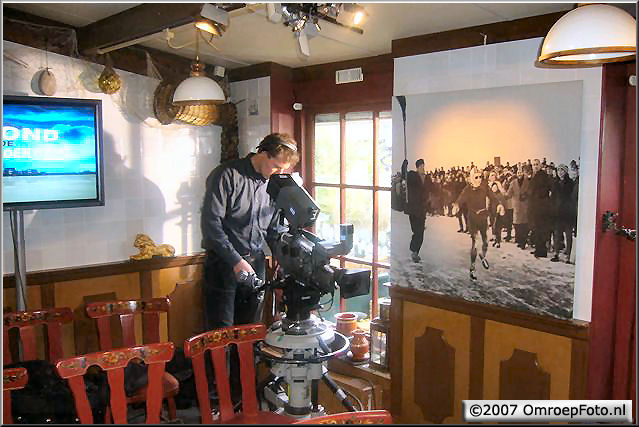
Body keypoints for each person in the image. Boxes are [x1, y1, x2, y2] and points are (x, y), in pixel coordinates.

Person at [200, 133, 299, 404]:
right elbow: (211, 225)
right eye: (276, 166)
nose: (277, 173)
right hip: (223, 263)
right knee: (221, 335)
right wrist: (235, 261)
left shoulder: (272, 185)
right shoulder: (226, 175)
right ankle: (218, 403)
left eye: (282, 170)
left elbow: (273, 229)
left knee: (250, 334)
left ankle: (243, 399)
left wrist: (285, 258)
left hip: (255, 262)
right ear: (263, 154)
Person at [452, 167, 502, 281]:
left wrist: (499, 204)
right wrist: (456, 206)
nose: (479, 179)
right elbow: (461, 199)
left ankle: (482, 256)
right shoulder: (468, 189)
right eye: (476, 177)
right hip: (473, 218)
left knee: (485, 242)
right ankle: (472, 267)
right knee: (475, 242)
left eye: (480, 177)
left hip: (483, 217)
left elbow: (493, 197)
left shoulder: (484, 186)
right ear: (471, 178)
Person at [406, 158, 430, 262]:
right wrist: (404, 166)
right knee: (416, 231)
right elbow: (404, 175)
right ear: (417, 167)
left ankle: (415, 252)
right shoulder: (412, 175)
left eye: (423, 166)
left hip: (422, 210)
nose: (422, 168)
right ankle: (413, 250)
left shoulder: (427, 178)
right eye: (420, 166)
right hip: (413, 210)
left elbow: (432, 188)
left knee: (420, 233)